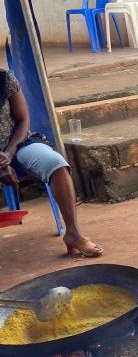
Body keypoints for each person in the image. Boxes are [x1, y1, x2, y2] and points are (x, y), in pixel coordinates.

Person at [0, 69, 103, 257]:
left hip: (17, 144)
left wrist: (9, 152)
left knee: (56, 164)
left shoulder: (4, 78)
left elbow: (23, 120)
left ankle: (72, 232)